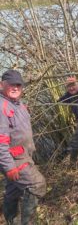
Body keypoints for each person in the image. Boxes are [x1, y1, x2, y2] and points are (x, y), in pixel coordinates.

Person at [0, 69, 46, 224]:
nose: (15, 87)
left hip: (23, 154)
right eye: (11, 84)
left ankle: (10, 220)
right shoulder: (1, 107)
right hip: (14, 158)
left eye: (18, 85)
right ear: (2, 85)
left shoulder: (18, 104)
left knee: (14, 190)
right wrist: (9, 167)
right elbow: (0, 142)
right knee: (37, 184)